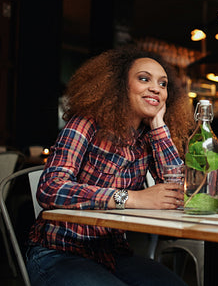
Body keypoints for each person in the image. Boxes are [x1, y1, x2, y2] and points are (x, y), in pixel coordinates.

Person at [26, 46, 194, 285]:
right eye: (144, 79)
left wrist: (158, 126)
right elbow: (50, 188)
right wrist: (132, 198)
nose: (156, 88)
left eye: (163, 84)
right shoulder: (86, 123)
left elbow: (177, 191)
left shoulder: (149, 136)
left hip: (112, 254)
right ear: (119, 85)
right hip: (59, 252)